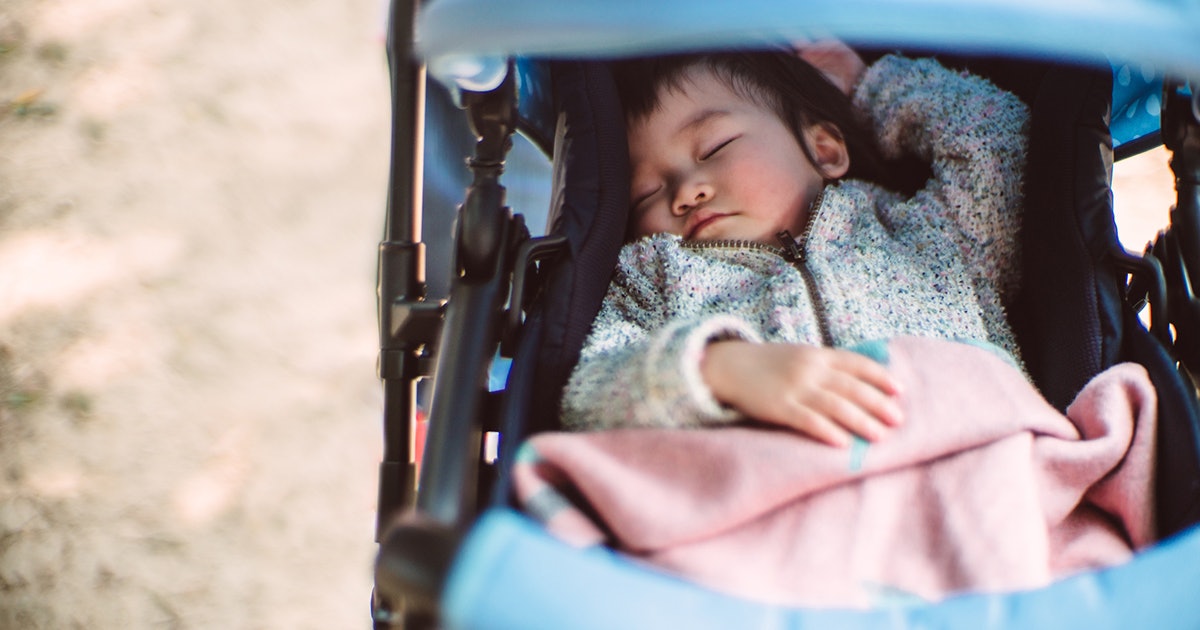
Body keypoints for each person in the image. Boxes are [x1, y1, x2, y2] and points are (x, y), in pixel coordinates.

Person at [560, 42, 1030, 447]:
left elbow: (995, 136)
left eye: (715, 148)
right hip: (782, 504)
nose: (686, 193)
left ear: (823, 150)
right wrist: (721, 369)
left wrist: (867, 84)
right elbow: (587, 394)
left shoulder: (923, 234)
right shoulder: (651, 279)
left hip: (963, 460)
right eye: (646, 193)